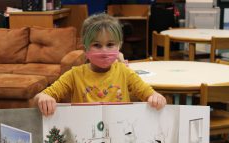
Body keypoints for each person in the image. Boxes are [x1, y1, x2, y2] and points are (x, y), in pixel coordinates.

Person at [34, 13, 166, 116]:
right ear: (85, 48)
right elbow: (40, 97)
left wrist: (156, 98)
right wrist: (43, 98)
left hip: (118, 134)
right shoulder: (75, 75)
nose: (104, 51)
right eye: (97, 45)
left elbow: (149, 94)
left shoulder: (124, 72)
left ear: (119, 46)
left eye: (110, 45)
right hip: (85, 135)